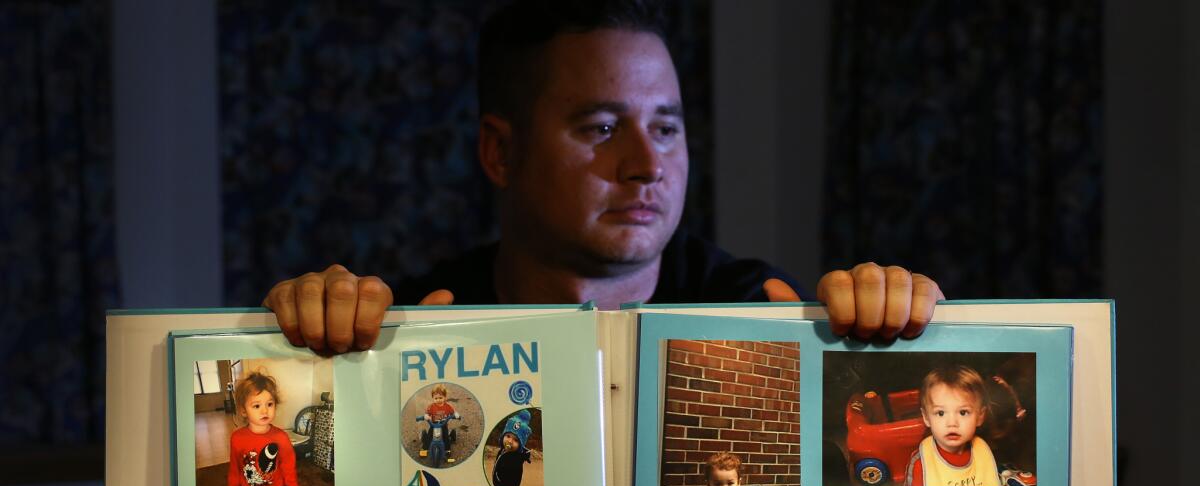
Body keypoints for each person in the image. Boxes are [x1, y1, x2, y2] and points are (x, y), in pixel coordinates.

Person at [261, 0, 943, 355]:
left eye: (666, 127)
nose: (647, 165)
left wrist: (888, 327)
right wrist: (310, 343)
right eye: (602, 129)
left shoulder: (756, 310)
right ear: (500, 154)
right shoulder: (414, 324)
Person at [227, 371, 299, 486]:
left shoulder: (281, 437)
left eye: (269, 404)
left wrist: (291, 483)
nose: (265, 410)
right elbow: (235, 465)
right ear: (244, 410)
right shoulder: (237, 438)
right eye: (257, 405)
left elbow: (288, 462)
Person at [904, 365, 1001, 486]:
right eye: (940, 413)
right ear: (926, 417)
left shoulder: (982, 452)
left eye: (963, 412)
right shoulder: (920, 462)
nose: (952, 423)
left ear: (980, 416)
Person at [491, 409, 533, 486]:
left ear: (521, 444)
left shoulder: (515, 459)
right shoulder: (503, 450)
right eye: (508, 436)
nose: (510, 441)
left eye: (516, 440)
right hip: (499, 485)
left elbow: (513, 480)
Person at [416, 383, 461, 463]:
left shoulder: (447, 406)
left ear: (444, 397)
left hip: (443, 424)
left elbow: (453, 412)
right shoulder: (431, 406)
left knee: (446, 437)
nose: (438, 400)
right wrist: (426, 416)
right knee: (429, 436)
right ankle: (425, 448)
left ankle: (447, 449)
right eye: (436, 398)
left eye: (440, 398)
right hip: (433, 424)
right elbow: (427, 413)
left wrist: (456, 415)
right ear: (433, 398)